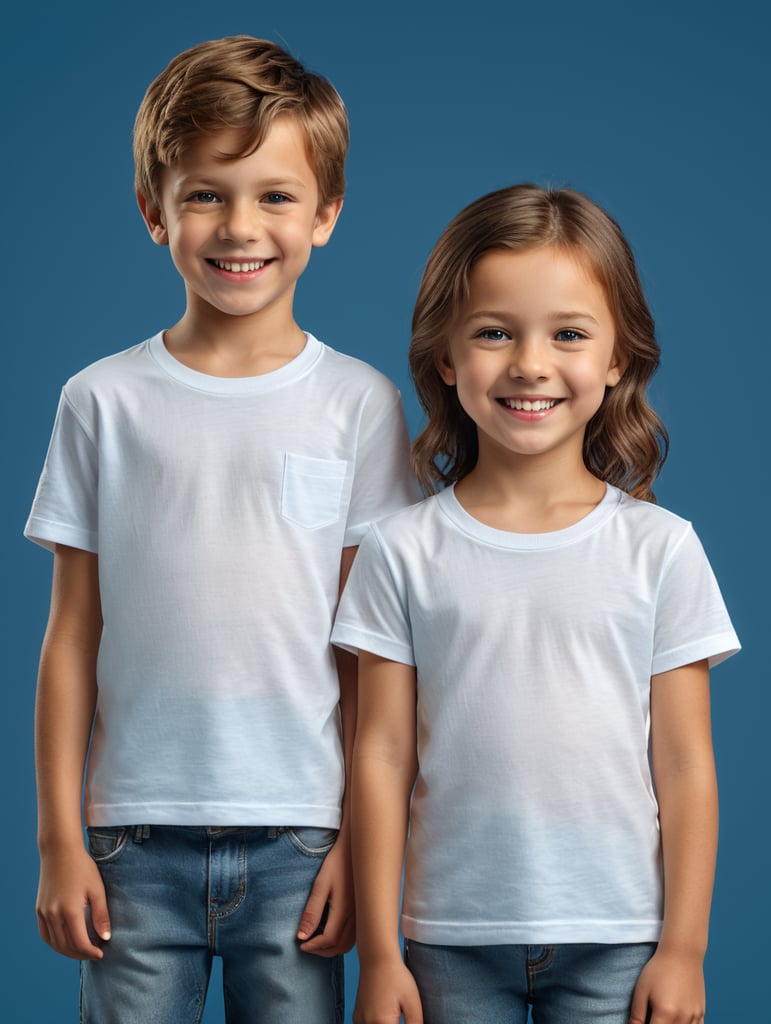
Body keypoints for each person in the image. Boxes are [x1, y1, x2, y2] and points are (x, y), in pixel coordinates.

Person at [25, 35, 417, 1024]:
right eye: (206, 193)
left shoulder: (358, 404)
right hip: (130, 839)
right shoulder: (102, 402)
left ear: (326, 213)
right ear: (154, 210)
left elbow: (375, 652)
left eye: (276, 195)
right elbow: (73, 632)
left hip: (304, 840)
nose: (241, 226)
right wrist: (58, 839)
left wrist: (364, 847)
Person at [332, 184, 740, 1024]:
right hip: (446, 936)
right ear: (445, 357)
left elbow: (685, 767)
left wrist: (684, 949)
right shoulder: (401, 550)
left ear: (617, 356)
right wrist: (378, 954)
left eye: (568, 334)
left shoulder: (660, 548)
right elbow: (378, 757)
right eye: (493, 332)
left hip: (620, 936)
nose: (529, 363)